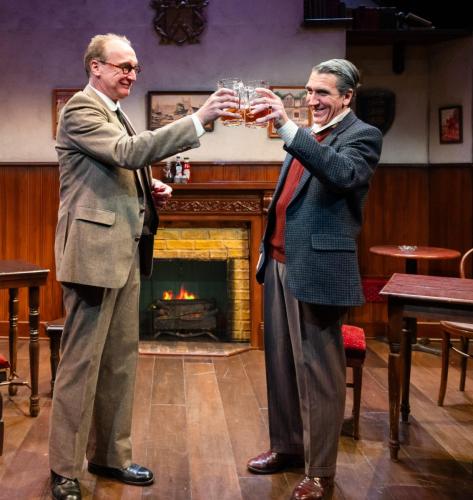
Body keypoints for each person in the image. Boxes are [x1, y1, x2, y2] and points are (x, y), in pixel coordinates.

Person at [49, 33, 238, 500]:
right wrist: (199, 120)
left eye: (135, 67)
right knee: (81, 366)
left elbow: (119, 169)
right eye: (122, 66)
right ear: (95, 66)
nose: (131, 74)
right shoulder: (80, 108)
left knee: (119, 363)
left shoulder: (114, 112)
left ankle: (111, 456)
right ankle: (65, 470)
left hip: (125, 250)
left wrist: (146, 190)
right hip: (93, 256)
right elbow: (127, 153)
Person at [246, 59, 382, 500]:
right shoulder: (311, 136)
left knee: (320, 374)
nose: (312, 100)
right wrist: (268, 249)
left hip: (320, 269)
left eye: (323, 93)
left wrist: (287, 127)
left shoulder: (362, 136)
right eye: (309, 91)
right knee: (281, 365)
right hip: (282, 263)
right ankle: (286, 447)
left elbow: (341, 175)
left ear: (346, 97)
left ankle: (320, 471)